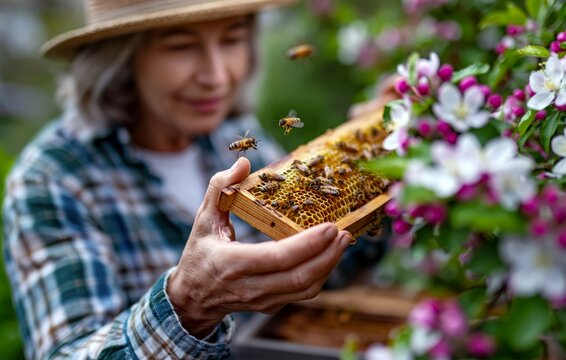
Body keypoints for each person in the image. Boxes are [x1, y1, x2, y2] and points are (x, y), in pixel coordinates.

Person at [1, 0, 364, 359]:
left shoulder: (232, 134)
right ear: (120, 59)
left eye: (231, 39)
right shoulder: (52, 178)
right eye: (181, 46)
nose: (217, 76)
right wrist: (188, 304)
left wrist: (382, 160)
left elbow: (323, 256)